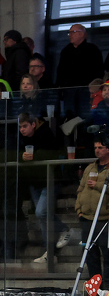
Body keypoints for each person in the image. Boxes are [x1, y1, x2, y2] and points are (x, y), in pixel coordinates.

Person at [17, 113, 69, 262]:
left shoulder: (45, 134)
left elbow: (54, 152)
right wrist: (22, 156)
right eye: (20, 127)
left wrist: (36, 156)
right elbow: (15, 153)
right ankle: (50, 253)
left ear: (33, 124)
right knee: (42, 219)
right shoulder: (21, 139)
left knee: (41, 213)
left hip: (49, 180)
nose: (22, 129)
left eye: (25, 126)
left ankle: (63, 228)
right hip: (35, 182)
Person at [75, 136, 109, 281]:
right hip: (87, 218)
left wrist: (98, 186)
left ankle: (107, 289)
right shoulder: (90, 167)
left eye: (100, 147)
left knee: (107, 256)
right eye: (95, 148)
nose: (97, 150)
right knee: (90, 256)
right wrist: (78, 209)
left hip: (104, 219)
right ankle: (95, 289)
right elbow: (80, 189)